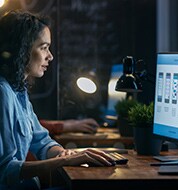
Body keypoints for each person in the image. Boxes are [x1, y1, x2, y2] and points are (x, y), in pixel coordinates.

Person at [0, 10, 115, 189]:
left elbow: (41, 141)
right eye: (44, 47)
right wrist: (66, 161)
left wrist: (62, 153)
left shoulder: (18, 91)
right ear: (22, 48)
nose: (50, 56)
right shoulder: (3, 93)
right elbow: (6, 171)